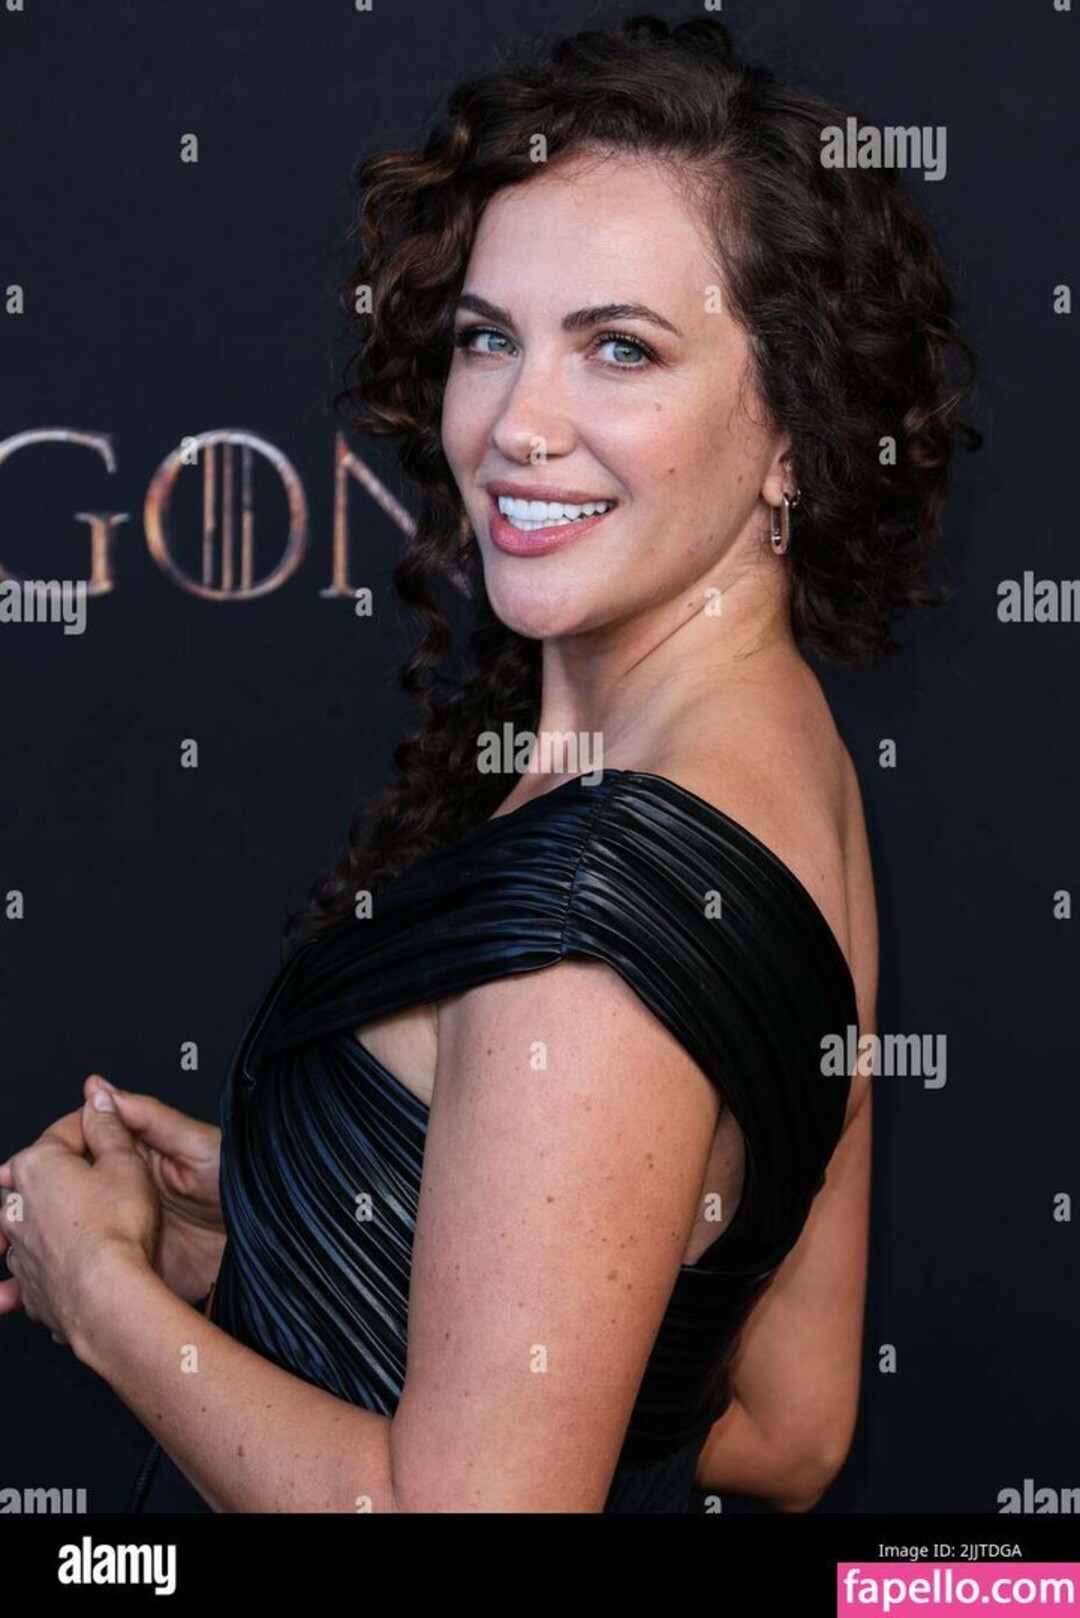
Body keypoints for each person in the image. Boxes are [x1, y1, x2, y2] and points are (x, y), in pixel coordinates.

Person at [0, 13, 979, 1513]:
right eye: (487, 338)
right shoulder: (790, 774)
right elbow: (789, 1425)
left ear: (794, 425)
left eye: (620, 348)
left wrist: (105, 1298)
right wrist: (303, 1248)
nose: (519, 423)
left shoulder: (591, 922)